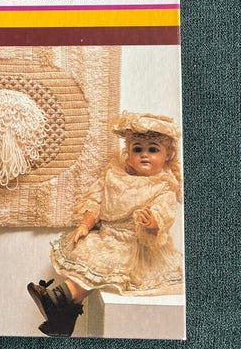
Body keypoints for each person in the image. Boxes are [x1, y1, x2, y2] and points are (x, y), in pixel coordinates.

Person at [27, 111, 184, 337]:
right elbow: (97, 201)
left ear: (167, 156)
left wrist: (152, 221)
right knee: (93, 261)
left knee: (103, 264)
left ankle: (59, 297)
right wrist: (85, 224)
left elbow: (164, 213)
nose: (144, 155)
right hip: (107, 235)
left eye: (153, 149)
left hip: (134, 244)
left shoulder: (163, 187)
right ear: (128, 153)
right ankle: (63, 321)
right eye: (137, 149)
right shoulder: (113, 175)